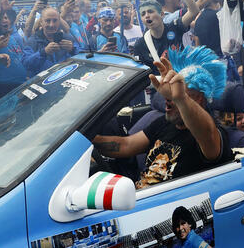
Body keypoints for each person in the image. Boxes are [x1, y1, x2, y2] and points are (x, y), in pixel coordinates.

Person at [93, 46, 232, 189]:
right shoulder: (164, 123)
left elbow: (206, 131)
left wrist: (180, 99)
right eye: (170, 93)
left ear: (199, 100)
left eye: (177, 94)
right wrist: (87, 140)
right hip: (139, 197)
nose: (169, 98)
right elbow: (125, 145)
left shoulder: (214, 136)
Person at [130, 0, 189, 67]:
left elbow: (194, 11)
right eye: (143, 14)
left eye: (150, 11)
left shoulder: (174, 28)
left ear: (162, 14)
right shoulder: (140, 44)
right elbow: (140, 69)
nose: (147, 16)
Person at [22, 6, 79, 75]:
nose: (51, 25)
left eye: (55, 20)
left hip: (65, 80)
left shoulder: (68, 38)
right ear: (41, 22)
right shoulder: (33, 41)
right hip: (42, 83)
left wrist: (73, 49)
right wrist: (43, 52)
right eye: (48, 21)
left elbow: (83, 55)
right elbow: (26, 64)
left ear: (59, 22)